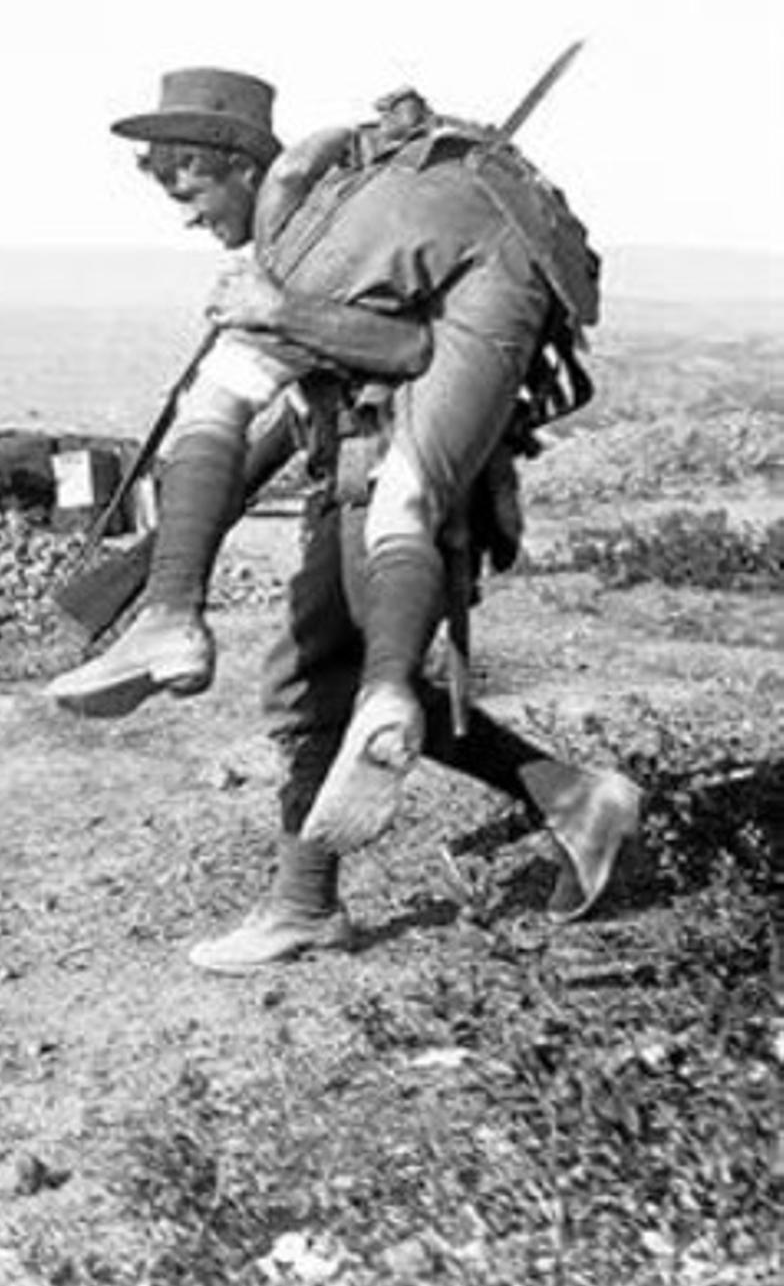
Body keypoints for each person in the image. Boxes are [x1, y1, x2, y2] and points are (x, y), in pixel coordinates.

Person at [48, 68, 641, 970]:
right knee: (327, 684)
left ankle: (321, 898)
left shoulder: (342, 223)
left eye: (190, 181)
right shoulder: (313, 230)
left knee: (336, 684)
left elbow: (415, 352)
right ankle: (560, 802)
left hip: (393, 489)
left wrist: (281, 315)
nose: (183, 209)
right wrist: (174, 544)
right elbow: (304, 400)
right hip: (350, 477)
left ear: (241, 164)